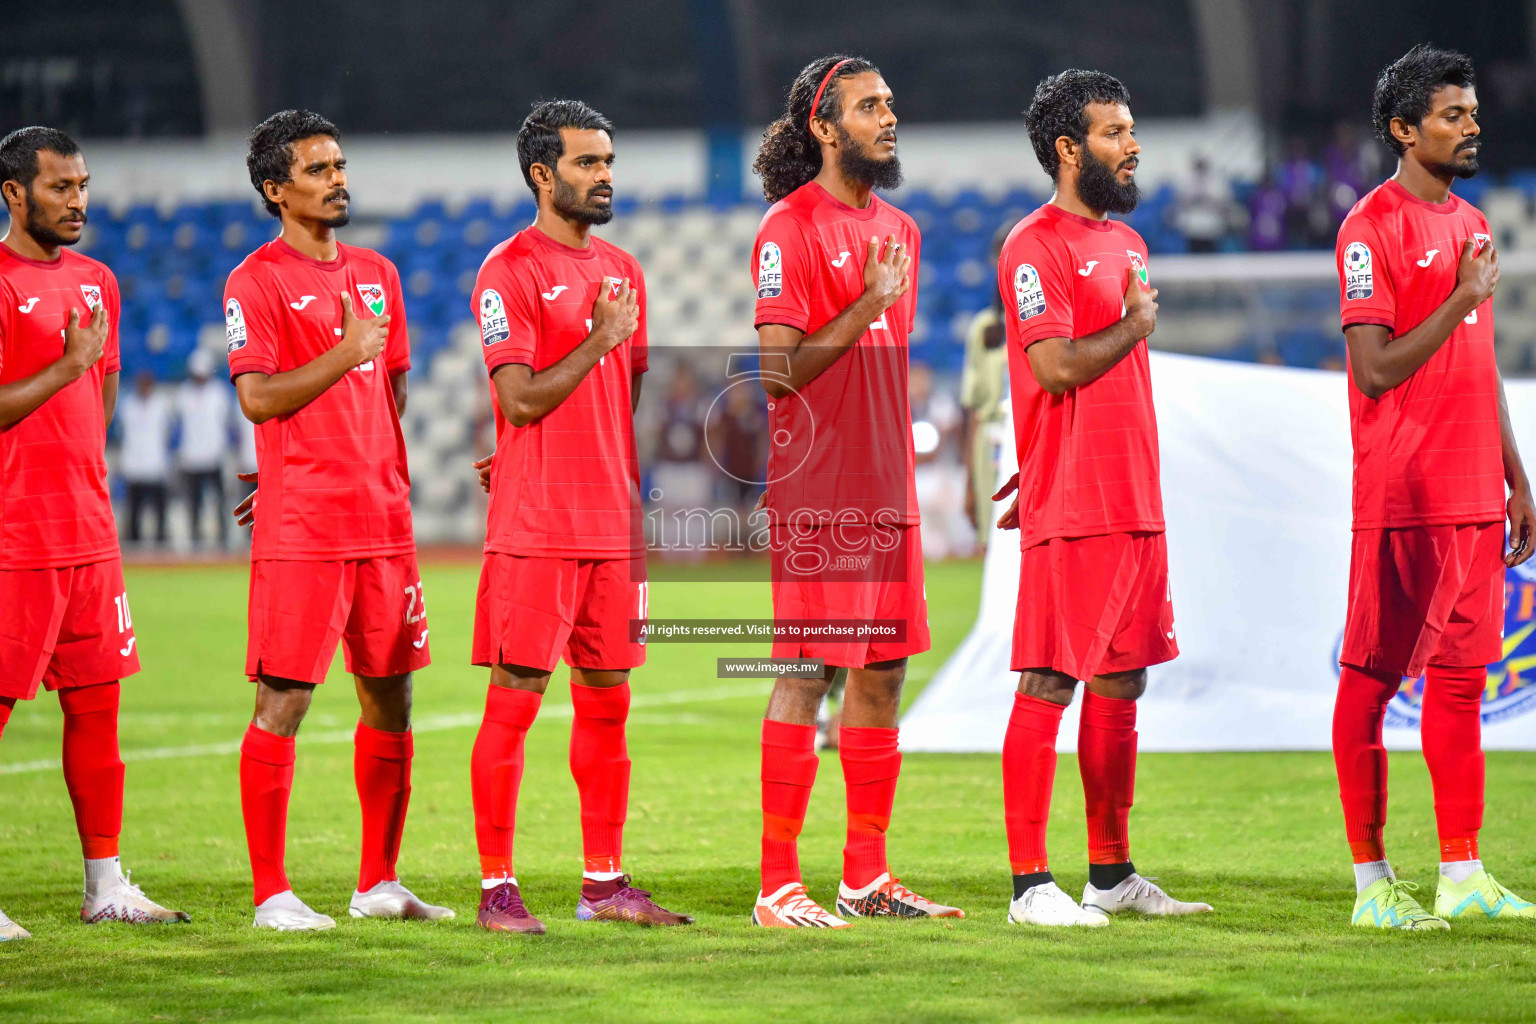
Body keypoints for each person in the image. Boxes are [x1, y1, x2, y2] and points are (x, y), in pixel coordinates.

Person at [466, 100, 691, 935]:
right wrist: (595, 343)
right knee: (516, 700)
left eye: (609, 162)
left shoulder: (625, 268)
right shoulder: (509, 270)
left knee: (609, 702)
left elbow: (617, 395)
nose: (605, 177)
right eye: (588, 163)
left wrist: (588, 388)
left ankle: (604, 885)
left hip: (609, 522)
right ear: (542, 174)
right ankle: (497, 890)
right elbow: (520, 397)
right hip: (537, 528)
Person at [992, 70, 1212, 927]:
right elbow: (1052, 368)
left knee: (1122, 683)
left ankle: (1111, 875)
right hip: (1077, 503)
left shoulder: (1128, 245)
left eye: (1133, 128)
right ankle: (1027, 887)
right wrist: (1134, 326)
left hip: (1133, 500)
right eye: (1116, 132)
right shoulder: (1030, 245)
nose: (1133, 145)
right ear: (1069, 149)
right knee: (1049, 679)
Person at [748, 54, 962, 926]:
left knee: (883, 672)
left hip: (887, 488)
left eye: (890, 101)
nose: (889, 116)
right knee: (809, 673)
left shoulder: (902, 231)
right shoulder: (787, 229)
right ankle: (777, 886)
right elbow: (775, 374)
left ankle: (865, 877)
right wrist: (868, 304)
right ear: (825, 128)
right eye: (870, 106)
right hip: (820, 492)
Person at [226, 110, 448, 931]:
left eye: (340, 165)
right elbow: (256, 397)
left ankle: (377, 883)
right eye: (318, 170)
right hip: (307, 529)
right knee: (283, 702)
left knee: (392, 702)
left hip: (384, 524)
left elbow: (390, 387)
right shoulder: (255, 282)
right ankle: (270, 894)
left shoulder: (377, 272)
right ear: (275, 190)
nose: (338, 179)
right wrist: (344, 358)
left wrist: (362, 452)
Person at [1333, 45, 1536, 929]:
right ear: (1403, 129)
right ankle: (1372, 882)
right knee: (1371, 686)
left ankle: (1462, 870)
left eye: (1472, 111)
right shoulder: (1367, 229)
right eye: (1452, 114)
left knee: (1461, 683)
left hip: (1470, 495)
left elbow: (1479, 363)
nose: (1471, 125)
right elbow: (1374, 370)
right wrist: (1457, 299)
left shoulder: (1472, 222)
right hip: (1403, 496)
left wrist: (1516, 476)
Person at [0, 126, 186, 940]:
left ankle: (105, 884)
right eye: (58, 187)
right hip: (14, 534)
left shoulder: (97, 281)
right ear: (14, 192)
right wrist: (63, 370)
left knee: (96, 711)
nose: (78, 200)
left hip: (88, 531)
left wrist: (78, 405)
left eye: (82, 185)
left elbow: (98, 404)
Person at [960, 225, 1010, 541]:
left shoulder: (1056, 321)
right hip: (990, 443)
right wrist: (969, 481)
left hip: (1033, 439)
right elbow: (975, 409)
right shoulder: (984, 329)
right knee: (992, 540)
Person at [175, 348, 232, 550]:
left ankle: (223, 540)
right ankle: (195, 541)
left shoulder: (220, 393)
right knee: (194, 504)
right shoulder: (183, 394)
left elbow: (226, 423)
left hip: (214, 455)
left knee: (219, 502)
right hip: (191, 457)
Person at [117, 370, 173, 548]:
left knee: (159, 511)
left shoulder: (161, 405)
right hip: (133, 465)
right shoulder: (128, 405)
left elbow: (168, 434)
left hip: (155, 464)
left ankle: (161, 545)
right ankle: (134, 546)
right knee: (134, 511)